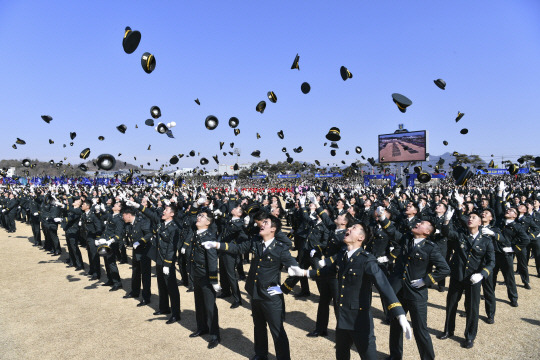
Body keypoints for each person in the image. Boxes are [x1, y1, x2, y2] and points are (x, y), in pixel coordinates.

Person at [288, 222, 413, 360]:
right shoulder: (343, 255)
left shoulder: (367, 260)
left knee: (369, 356)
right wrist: (303, 272)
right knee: (341, 355)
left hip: (359, 321)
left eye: (353, 228)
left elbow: (384, 286)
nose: (348, 228)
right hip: (342, 318)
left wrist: (400, 314)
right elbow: (327, 271)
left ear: (360, 237)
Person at [203, 215, 299, 360]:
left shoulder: (280, 249)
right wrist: (217, 245)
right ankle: (261, 354)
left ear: (273, 229)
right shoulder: (256, 242)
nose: (262, 224)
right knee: (259, 327)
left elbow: (296, 270)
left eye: (266, 223)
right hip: (255, 293)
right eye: (263, 222)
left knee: (277, 331)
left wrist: (284, 288)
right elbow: (238, 248)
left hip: (271, 298)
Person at [376, 206, 450, 360]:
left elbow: (444, 269)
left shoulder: (431, 248)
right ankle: (395, 356)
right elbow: (392, 232)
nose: (417, 224)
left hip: (416, 294)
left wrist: (426, 280)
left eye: (422, 224)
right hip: (398, 291)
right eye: (418, 222)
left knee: (420, 330)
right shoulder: (406, 239)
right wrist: (383, 218)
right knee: (395, 326)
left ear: (427, 231)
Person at [438, 209, 495, 349]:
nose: (470, 219)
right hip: (457, 276)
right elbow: (446, 233)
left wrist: (482, 274)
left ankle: (469, 336)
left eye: (474, 217)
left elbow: (491, 262)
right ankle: (448, 330)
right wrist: (446, 220)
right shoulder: (460, 235)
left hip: (473, 278)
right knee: (451, 304)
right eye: (469, 217)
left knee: (472, 308)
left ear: (480, 223)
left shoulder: (487, 240)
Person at [136, 200, 182, 323]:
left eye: (166, 210)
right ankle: (164, 308)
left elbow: (172, 248)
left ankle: (176, 313)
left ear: (171, 214)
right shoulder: (161, 222)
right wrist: (137, 205)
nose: (163, 211)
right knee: (161, 285)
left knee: (171, 288)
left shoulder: (174, 228)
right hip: (159, 258)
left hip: (167, 261)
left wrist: (167, 264)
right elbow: (150, 214)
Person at [182, 209, 221, 349]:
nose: (198, 217)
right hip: (196, 273)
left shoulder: (209, 236)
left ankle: (215, 335)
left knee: (210, 307)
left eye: (202, 216)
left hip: (206, 275)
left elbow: (212, 260)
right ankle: (202, 327)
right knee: (198, 303)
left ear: (208, 222)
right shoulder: (195, 233)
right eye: (198, 215)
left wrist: (214, 280)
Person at [121, 206, 153, 306]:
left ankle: (146, 297)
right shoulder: (129, 224)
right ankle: (135, 292)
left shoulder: (141, 222)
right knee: (135, 272)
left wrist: (140, 241)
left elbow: (149, 234)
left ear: (128, 215)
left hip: (144, 252)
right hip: (136, 251)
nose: (123, 218)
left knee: (145, 275)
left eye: (123, 216)